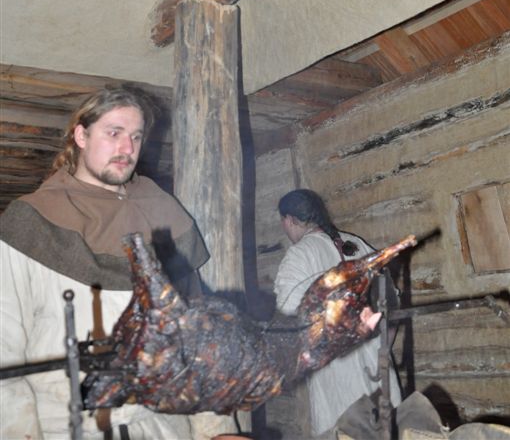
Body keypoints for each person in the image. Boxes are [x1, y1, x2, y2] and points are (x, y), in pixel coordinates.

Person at [0, 87, 236, 440]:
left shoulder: (164, 214)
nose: (127, 148)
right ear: (81, 136)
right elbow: (4, 348)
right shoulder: (31, 220)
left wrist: (215, 431)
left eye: (136, 137)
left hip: (162, 428)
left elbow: (196, 339)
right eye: (114, 133)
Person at [274, 189, 401, 439]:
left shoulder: (300, 255)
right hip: (376, 361)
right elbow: (391, 299)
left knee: (344, 430)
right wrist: (383, 345)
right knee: (385, 429)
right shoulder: (355, 244)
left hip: (336, 370)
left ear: (289, 220)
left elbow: (288, 313)